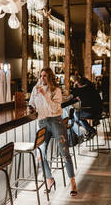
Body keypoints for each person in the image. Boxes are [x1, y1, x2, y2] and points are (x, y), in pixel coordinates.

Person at [29, 67, 77, 196]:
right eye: (40, 75)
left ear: (50, 77)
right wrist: (31, 108)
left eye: (44, 76)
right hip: (42, 122)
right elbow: (32, 103)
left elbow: (55, 108)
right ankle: (49, 179)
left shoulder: (56, 90)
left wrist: (44, 95)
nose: (42, 78)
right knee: (40, 154)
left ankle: (72, 182)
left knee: (64, 152)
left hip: (55, 121)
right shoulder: (35, 89)